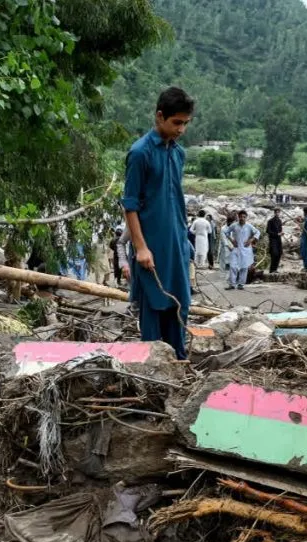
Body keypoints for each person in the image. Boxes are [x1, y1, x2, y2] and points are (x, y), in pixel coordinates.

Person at [121, 87, 195, 360]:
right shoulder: (140, 153)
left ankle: (178, 362)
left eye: (185, 124)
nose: (181, 130)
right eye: (177, 123)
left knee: (179, 306)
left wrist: (184, 242)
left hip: (177, 245)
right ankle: (153, 371)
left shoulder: (178, 154)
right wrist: (141, 248)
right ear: (160, 116)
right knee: (154, 308)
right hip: (151, 247)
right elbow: (130, 204)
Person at [225, 210, 260, 290]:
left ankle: (241, 284)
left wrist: (251, 240)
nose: (242, 218)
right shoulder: (234, 225)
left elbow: (257, 232)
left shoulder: (249, 226)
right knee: (233, 266)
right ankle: (232, 284)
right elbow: (226, 232)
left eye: (244, 217)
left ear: (246, 218)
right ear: (238, 217)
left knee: (244, 267)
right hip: (236, 249)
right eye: (240, 217)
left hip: (245, 249)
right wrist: (232, 240)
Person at [267, 207, 283, 273]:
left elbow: (280, 230)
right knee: (274, 254)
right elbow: (268, 231)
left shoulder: (279, 221)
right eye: (276, 212)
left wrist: (281, 233)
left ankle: (275, 269)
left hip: (278, 240)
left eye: (278, 212)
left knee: (279, 253)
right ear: (274, 213)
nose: (277, 213)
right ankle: (271, 269)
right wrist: (277, 234)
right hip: (273, 240)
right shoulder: (270, 221)